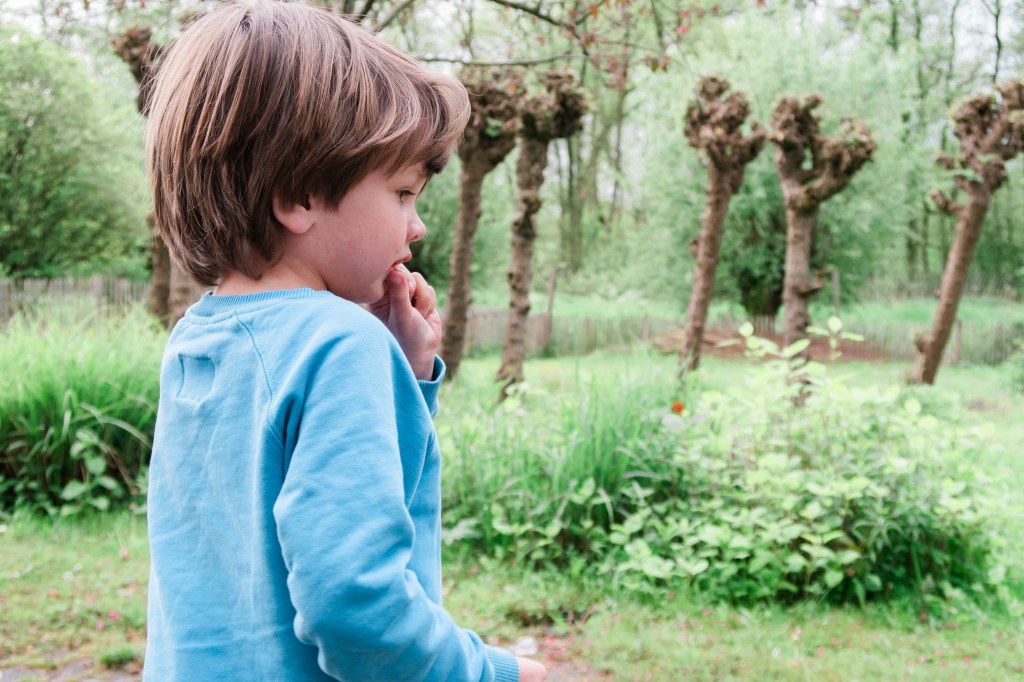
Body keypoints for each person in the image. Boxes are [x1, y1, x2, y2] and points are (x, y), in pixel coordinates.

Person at [142, 2, 547, 680]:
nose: (416, 227)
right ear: (299, 193)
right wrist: (491, 672)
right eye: (402, 193)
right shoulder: (340, 344)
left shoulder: (199, 336)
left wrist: (406, 375)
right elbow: (355, 606)